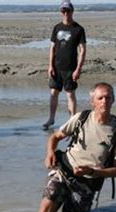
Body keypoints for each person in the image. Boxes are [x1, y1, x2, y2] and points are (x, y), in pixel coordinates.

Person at [33, 82, 116, 212]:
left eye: (108, 98)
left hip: (87, 183)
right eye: (100, 98)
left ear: (113, 100)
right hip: (64, 172)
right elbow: (55, 137)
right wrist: (50, 153)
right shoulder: (81, 118)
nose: (104, 101)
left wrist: (91, 171)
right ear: (92, 102)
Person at [42, 1, 86, 130]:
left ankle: (72, 120)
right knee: (53, 92)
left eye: (67, 10)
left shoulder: (78, 29)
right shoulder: (57, 27)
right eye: (63, 11)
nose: (65, 13)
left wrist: (78, 69)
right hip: (56, 67)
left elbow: (82, 50)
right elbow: (52, 48)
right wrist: (50, 66)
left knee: (70, 94)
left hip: (70, 68)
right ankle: (51, 119)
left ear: (72, 11)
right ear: (61, 12)